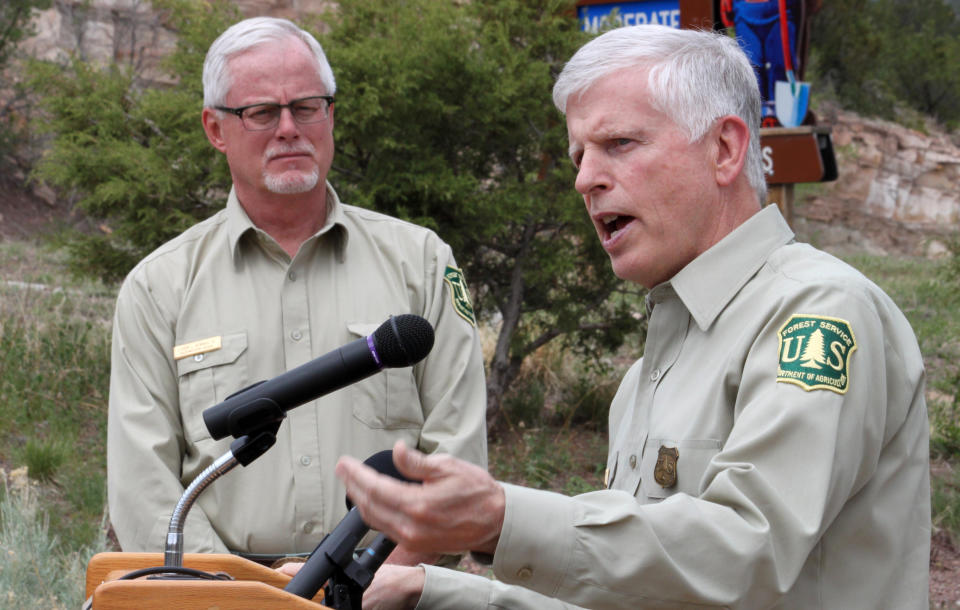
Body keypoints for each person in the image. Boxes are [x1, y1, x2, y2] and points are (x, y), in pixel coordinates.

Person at [321, 25, 931, 609]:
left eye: (619, 144)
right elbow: (634, 590)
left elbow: (748, 552)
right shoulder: (646, 375)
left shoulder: (818, 312)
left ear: (724, 149)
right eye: (579, 155)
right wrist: (425, 590)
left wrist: (503, 520)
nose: (586, 178)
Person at [106, 16, 488, 564]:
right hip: (225, 594)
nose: (289, 128)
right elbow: (143, 490)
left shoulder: (423, 263)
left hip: (396, 585)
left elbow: (459, 455)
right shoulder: (158, 287)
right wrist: (252, 599)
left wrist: (380, 582)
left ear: (331, 115)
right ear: (216, 129)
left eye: (307, 106)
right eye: (261, 112)